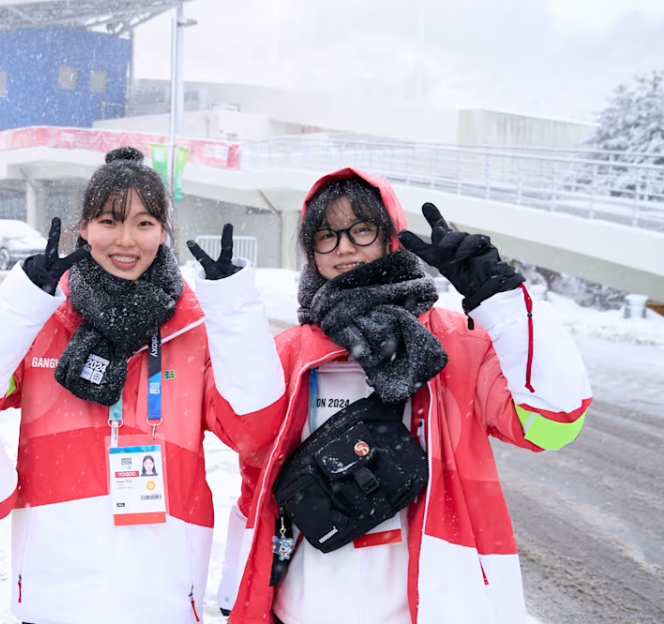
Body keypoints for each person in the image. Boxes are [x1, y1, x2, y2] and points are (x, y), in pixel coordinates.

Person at [0, 146, 286, 623]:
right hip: (54, 590)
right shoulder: (43, 318)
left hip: (163, 594)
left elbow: (252, 429)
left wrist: (234, 308)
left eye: (144, 223)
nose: (126, 240)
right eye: (110, 221)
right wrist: (21, 303)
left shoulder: (194, 326)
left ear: (163, 232)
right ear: (85, 228)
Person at [224, 168, 592, 624]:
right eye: (326, 235)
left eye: (361, 229)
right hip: (302, 608)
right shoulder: (290, 355)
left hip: (426, 606)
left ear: (390, 235)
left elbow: (554, 422)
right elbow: (252, 469)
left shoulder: (459, 346)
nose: (344, 247)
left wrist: (501, 300)